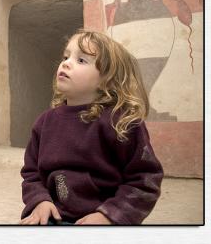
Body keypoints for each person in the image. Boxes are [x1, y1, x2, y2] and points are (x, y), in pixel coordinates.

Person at [20, 29, 164, 225]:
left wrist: (110, 215)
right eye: (66, 56)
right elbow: (32, 173)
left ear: (108, 79)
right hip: (55, 214)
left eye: (81, 60)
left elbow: (144, 180)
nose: (66, 63)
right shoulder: (44, 122)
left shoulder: (121, 121)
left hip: (106, 217)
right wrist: (39, 201)